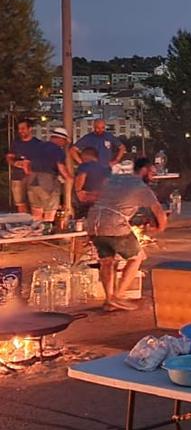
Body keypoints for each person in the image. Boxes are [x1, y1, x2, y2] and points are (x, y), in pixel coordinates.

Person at [85, 159, 167, 311]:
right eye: (151, 172)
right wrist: (159, 228)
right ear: (143, 170)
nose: (153, 176)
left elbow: (95, 196)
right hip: (114, 224)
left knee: (106, 261)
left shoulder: (114, 178)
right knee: (137, 257)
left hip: (93, 223)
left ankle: (109, 299)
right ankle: (118, 295)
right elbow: (159, 212)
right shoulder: (141, 187)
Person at [27, 128, 70, 222]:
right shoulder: (58, 150)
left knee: (36, 212)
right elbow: (61, 167)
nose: (64, 144)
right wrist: (69, 178)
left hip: (32, 181)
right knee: (49, 213)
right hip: (47, 182)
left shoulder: (38, 147)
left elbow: (27, 163)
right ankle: (47, 232)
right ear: (60, 139)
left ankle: (37, 233)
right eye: (64, 142)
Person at [5, 118, 40, 214]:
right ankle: (23, 224)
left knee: (36, 204)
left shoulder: (38, 144)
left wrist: (29, 164)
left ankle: (35, 224)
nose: (20, 131)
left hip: (33, 178)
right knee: (20, 203)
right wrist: (15, 163)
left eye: (23, 128)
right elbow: (9, 157)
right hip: (18, 177)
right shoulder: (16, 143)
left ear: (30, 129)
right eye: (19, 129)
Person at [73, 147, 111, 218]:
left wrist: (78, 191)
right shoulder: (106, 168)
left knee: (84, 218)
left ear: (85, 156)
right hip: (101, 198)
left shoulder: (84, 166)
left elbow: (81, 178)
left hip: (87, 197)